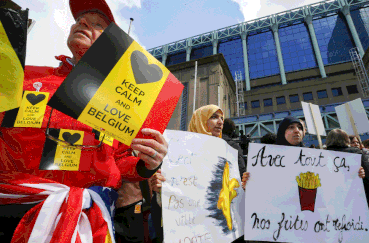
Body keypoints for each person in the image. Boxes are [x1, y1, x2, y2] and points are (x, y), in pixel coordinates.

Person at [0, 0, 167, 241]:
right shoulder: (26, 75)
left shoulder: (121, 100)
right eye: (79, 21)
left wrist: (148, 163)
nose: (83, 23)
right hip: (10, 207)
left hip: (83, 222)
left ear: (112, 46)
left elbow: (119, 160)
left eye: (97, 24)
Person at [148, 105, 226, 243]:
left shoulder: (225, 154)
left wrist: (243, 184)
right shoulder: (179, 151)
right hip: (189, 231)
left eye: (222, 118)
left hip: (215, 230)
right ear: (200, 121)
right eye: (214, 117)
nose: (220, 122)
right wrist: (161, 190)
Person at [242, 116, 306, 190]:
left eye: (300, 127)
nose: (297, 130)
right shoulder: (266, 159)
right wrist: (248, 183)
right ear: (282, 131)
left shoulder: (312, 160)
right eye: (291, 127)